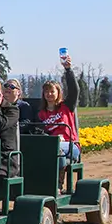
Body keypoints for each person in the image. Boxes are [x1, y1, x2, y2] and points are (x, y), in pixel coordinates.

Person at [38, 54, 80, 187]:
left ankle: (58, 183)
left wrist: (68, 70)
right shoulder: (41, 114)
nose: (49, 94)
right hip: (50, 145)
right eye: (46, 92)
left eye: (52, 91)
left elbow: (74, 90)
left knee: (56, 150)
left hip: (71, 145)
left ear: (58, 93)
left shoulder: (66, 106)